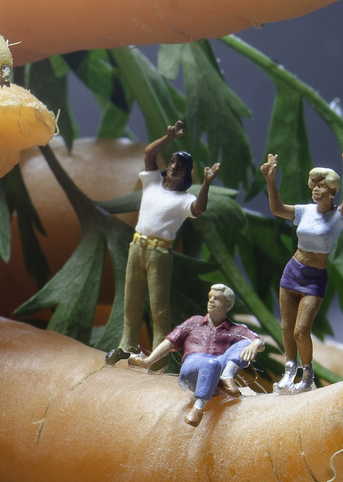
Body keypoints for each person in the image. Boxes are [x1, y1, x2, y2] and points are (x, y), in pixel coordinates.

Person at [106, 120, 221, 365]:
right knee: (131, 302)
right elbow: (149, 153)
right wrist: (168, 138)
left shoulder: (184, 199)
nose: (174, 168)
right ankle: (126, 347)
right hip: (136, 247)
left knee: (159, 308)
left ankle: (159, 356)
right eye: (172, 163)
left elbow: (199, 209)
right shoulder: (152, 183)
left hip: (160, 253)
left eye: (180, 167)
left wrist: (208, 182)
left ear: (186, 174)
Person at [263, 141, 343, 394]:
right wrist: (271, 181)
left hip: (315, 278)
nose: (316, 189)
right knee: (286, 327)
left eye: (322, 185)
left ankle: (307, 375)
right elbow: (276, 209)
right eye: (314, 185)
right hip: (292, 271)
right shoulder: (305, 211)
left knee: (301, 330)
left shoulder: (338, 218)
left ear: (332, 191)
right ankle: (289, 371)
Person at [133, 284, 263, 427]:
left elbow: (257, 339)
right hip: (193, 365)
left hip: (219, 365)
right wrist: (148, 361)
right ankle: (198, 408)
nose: (211, 301)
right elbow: (169, 342)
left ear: (227, 304)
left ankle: (226, 376)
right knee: (210, 364)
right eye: (210, 297)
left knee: (245, 343)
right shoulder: (194, 322)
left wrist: (255, 344)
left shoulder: (235, 329)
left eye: (217, 298)